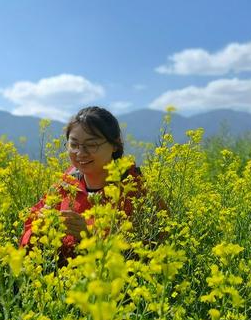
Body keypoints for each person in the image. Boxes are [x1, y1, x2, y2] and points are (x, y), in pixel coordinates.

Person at [19, 106, 155, 263]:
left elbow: (148, 256)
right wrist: (38, 230)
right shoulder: (64, 185)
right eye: (74, 145)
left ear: (115, 145)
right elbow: (25, 245)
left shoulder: (136, 192)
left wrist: (91, 237)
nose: (81, 153)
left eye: (91, 145)